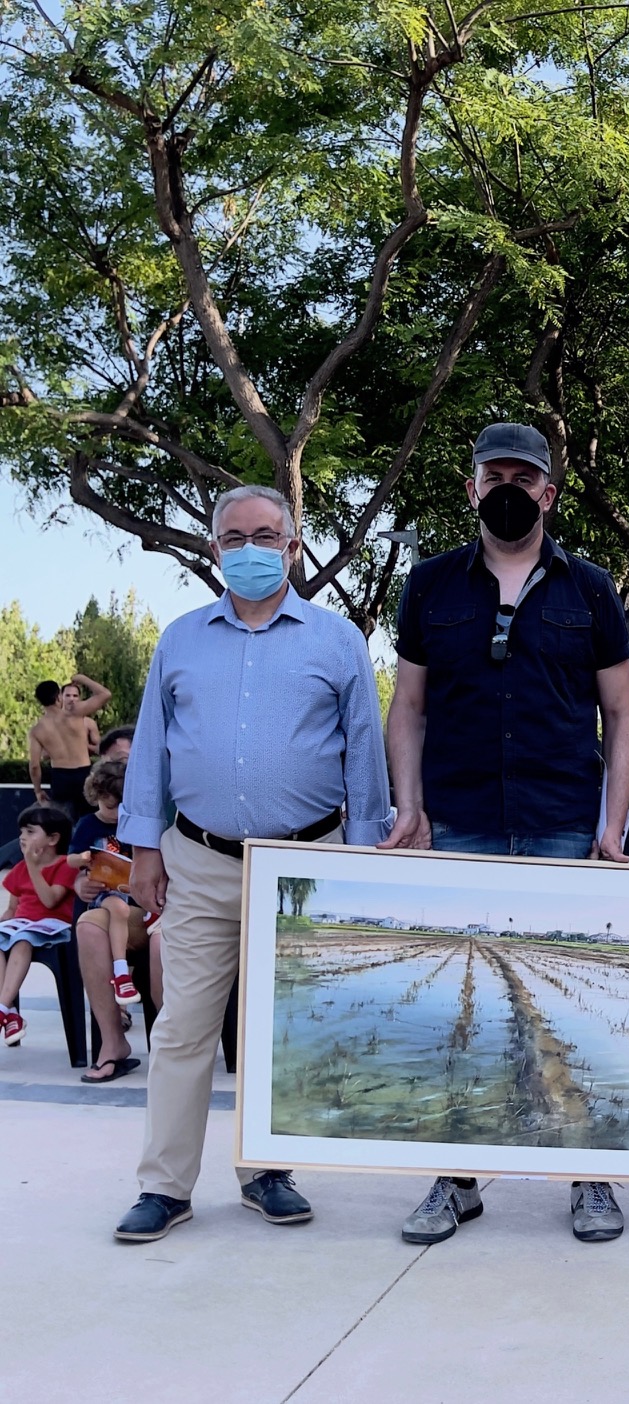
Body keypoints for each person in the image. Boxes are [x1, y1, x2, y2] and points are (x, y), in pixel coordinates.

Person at [112, 485, 391, 1244]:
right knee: (182, 1030)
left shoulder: (336, 641)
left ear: (292, 547)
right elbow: (152, 751)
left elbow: (365, 753)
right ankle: (164, 1188)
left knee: (282, 1034)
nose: (250, 550)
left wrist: (362, 856)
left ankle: (265, 1173)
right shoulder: (180, 639)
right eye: (233, 537)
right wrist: (142, 848)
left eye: (266, 536)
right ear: (213, 551)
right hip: (198, 862)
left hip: (304, 865)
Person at [381, 421, 629, 1247]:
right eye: (495, 475)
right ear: (471, 487)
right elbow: (408, 707)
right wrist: (407, 806)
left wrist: (612, 824)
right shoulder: (429, 586)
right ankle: (453, 1182)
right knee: (464, 1008)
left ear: (548, 494)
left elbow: (622, 715)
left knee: (565, 1002)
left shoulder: (590, 589)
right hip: (458, 823)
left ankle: (589, 1178)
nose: (509, 489)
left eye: (524, 479)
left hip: (564, 823)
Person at [71, 758, 159, 1083]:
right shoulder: (90, 824)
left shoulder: (154, 817)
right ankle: (113, 1043)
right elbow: (75, 867)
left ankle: (170, 1050)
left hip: (153, 910)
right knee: (89, 926)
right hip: (112, 905)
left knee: (125, 919)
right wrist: (81, 883)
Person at [0, 806, 78, 1047]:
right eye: (22, 831)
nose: (23, 837)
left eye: (31, 831)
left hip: (53, 928)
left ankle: (3, 1008)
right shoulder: (20, 869)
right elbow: (13, 908)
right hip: (21, 926)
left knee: (22, 941)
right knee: (7, 939)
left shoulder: (65, 865)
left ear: (53, 839)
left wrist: (33, 867)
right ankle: (9, 1012)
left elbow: (50, 900)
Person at [28, 674, 112, 815]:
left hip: (60, 777)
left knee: (63, 822)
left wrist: (38, 790)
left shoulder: (37, 730)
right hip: (84, 773)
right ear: (59, 697)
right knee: (92, 817)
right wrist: (82, 679)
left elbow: (35, 766)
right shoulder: (74, 713)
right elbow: (105, 694)